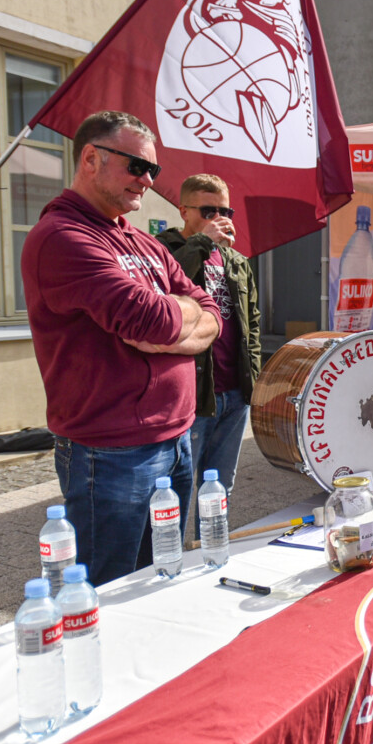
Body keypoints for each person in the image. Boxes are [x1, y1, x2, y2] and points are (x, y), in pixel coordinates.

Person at [22, 111, 221, 585]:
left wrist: (175, 326)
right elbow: (153, 320)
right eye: (137, 166)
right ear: (91, 158)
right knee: (106, 593)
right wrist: (175, 318)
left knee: (158, 581)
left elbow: (211, 314)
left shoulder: (141, 241)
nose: (147, 181)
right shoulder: (63, 237)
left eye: (153, 170)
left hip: (175, 438)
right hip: (112, 452)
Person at [155, 174, 260, 539]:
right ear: (183, 211)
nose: (218, 218)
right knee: (177, 486)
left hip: (234, 393)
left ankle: (210, 549)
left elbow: (252, 324)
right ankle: (170, 553)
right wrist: (202, 242)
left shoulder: (236, 260)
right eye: (208, 211)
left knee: (219, 487)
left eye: (225, 211)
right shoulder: (163, 250)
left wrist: (253, 379)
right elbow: (163, 290)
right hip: (196, 393)